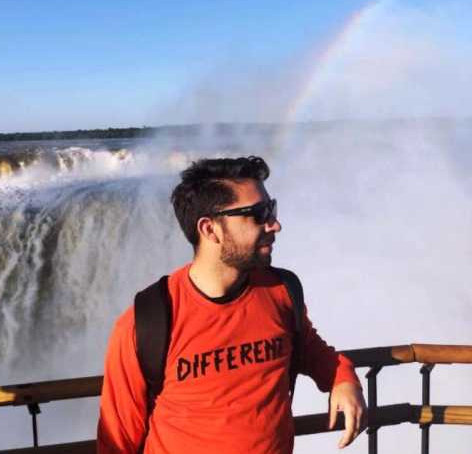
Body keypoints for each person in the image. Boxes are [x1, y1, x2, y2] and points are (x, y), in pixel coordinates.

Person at [97, 156, 366, 453]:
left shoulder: (281, 291)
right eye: (259, 214)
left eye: (272, 208)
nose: (275, 224)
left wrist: (342, 379)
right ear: (209, 229)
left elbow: (311, 350)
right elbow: (117, 441)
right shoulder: (147, 322)